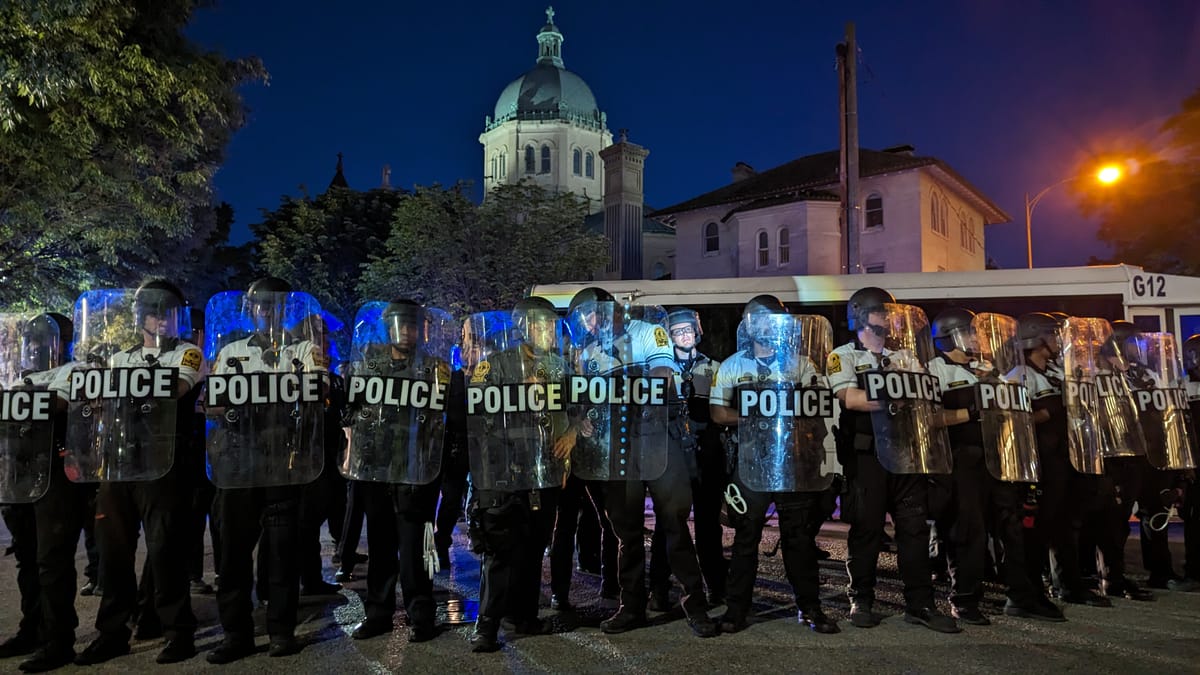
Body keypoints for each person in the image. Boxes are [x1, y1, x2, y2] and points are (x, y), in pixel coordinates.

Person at [566, 288, 719, 638]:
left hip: (656, 436)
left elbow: (663, 373)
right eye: (585, 318)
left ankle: (695, 604)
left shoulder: (648, 332)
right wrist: (582, 418)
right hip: (618, 446)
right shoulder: (588, 352)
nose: (591, 322)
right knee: (626, 531)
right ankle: (631, 606)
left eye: (594, 314)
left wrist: (624, 396)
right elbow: (583, 398)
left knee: (675, 525)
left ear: (610, 310)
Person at [73, 280, 202, 665]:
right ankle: (112, 633)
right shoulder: (119, 359)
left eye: (169, 313)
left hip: (164, 463)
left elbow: (177, 389)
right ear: (140, 317)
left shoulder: (189, 354)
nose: (162, 320)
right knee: (113, 554)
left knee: (166, 551)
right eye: (154, 312)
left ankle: (178, 631)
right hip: (120, 462)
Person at [206, 277, 327, 662]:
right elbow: (211, 405)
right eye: (262, 306)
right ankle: (237, 634)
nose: (268, 312)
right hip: (239, 459)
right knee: (233, 556)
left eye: (275, 306)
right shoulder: (232, 351)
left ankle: (280, 631)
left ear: (284, 311)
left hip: (283, 460)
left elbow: (319, 394)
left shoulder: (304, 349)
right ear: (252, 311)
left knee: (282, 554)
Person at [829, 286, 960, 633]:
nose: (888, 318)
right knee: (867, 530)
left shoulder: (905, 356)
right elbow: (849, 397)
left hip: (905, 450)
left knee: (913, 530)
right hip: (867, 455)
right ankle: (861, 599)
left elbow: (923, 395)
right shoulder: (843, 355)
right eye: (881, 312)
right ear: (860, 315)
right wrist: (891, 400)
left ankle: (920, 604)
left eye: (889, 312)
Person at [709, 295, 838, 634]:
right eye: (759, 320)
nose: (765, 327)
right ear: (748, 325)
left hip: (791, 460)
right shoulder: (733, 365)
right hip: (750, 460)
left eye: (771, 320)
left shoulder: (800, 363)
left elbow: (819, 404)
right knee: (745, 537)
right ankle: (736, 610)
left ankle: (810, 608)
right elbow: (718, 413)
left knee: (798, 537)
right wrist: (755, 418)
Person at [927, 308, 1064, 623]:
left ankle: (1022, 595)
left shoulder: (987, 369)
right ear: (950, 335)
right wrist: (971, 414)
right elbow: (927, 418)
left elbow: (1013, 410)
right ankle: (964, 599)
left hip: (999, 456)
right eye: (970, 332)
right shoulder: (936, 370)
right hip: (962, 458)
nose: (978, 338)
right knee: (968, 531)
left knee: (1011, 529)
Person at [467, 297, 573, 652]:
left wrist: (572, 436)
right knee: (499, 552)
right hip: (505, 470)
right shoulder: (495, 365)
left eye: (551, 325)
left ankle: (524, 617)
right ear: (524, 328)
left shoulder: (560, 367)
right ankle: (487, 625)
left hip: (544, 470)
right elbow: (475, 410)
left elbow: (577, 409)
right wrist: (517, 395)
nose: (547, 332)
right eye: (540, 325)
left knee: (533, 547)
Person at [343, 299, 447, 642]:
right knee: (380, 547)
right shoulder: (370, 365)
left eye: (412, 324)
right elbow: (352, 413)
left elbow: (443, 420)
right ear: (389, 328)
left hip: (415, 469)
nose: (406, 331)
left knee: (415, 550)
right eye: (400, 324)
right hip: (378, 468)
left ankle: (421, 616)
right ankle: (378, 614)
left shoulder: (433, 368)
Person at [1011, 312, 1110, 607]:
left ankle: (1070, 585)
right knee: (1038, 527)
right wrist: (1050, 411)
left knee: (1066, 525)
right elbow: (1014, 418)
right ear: (1037, 340)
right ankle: (1032, 592)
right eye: (1053, 336)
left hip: (1067, 458)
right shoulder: (1019, 374)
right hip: (1039, 461)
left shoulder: (1057, 372)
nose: (1058, 341)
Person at [646, 307, 728, 610]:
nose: (684, 334)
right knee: (667, 524)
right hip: (671, 453)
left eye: (688, 329)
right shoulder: (659, 368)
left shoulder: (715, 368)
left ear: (698, 331)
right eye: (677, 330)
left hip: (706, 454)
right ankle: (658, 587)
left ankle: (716, 586)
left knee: (709, 526)